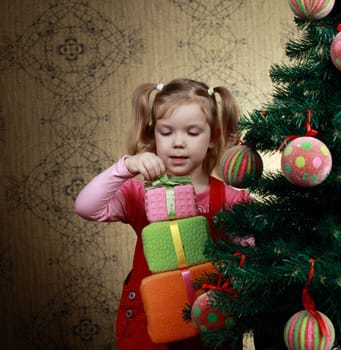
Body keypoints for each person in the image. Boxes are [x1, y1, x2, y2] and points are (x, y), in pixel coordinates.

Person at [75, 78, 249, 350]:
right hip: (149, 323)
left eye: (192, 133)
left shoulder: (231, 198)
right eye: (166, 132)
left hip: (211, 325)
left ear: (213, 137)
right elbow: (86, 207)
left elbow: (250, 263)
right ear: (153, 134)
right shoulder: (138, 191)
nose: (178, 143)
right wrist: (125, 167)